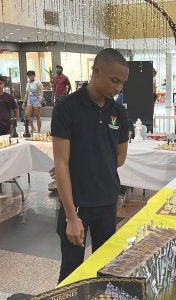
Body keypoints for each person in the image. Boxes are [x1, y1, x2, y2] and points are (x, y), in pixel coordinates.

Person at [51, 48, 129, 283]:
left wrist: (83, 163)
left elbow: (119, 158)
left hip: (106, 201)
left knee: (105, 269)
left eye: (122, 83)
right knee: (71, 271)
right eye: (114, 80)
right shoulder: (66, 107)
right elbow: (61, 163)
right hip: (77, 205)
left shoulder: (119, 112)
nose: (118, 88)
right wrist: (71, 218)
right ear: (96, 71)